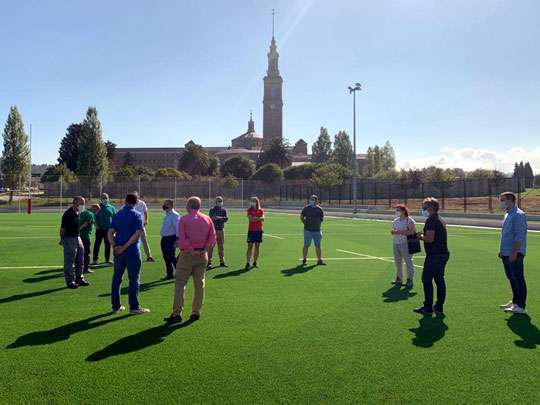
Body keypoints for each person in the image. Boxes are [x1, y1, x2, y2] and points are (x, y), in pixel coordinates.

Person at [164, 196, 216, 324]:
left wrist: (190, 249)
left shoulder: (184, 219)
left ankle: (177, 313)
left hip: (187, 255)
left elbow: (182, 237)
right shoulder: (207, 219)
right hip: (202, 255)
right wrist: (205, 249)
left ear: (188, 206)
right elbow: (213, 237)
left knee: (180, 284)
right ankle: (195, 312)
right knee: (199, 285)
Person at [107, 193, 150, 315]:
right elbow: (137, 234)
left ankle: (116, 306)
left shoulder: (118, 214)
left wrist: (115, 246)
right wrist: (125, 247)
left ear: (125, 201)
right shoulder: (137, 215)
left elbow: (110, 233)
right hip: (132, 252)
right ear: (136, 203)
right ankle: (134, 307)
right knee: (134, 279)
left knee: (117, 278)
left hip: (118, 252)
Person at [414, 197, 450, 315]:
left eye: (424, 207)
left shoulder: (431, 220)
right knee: (439, 280)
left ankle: (428, 307)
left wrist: (420, 237)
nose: (422, 209)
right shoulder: (440, 219)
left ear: (430, 208)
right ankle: (438, 306)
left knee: (427, 279)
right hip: (442, 253)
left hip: (435, 255)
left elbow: (430, 239)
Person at [498, 192, 528, 314]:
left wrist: (514, 252)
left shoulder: (518, 215)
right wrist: (502, 251)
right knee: (512, 278)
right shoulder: (507, 214)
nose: (501, 203)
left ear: (510, 200)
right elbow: (506, 235)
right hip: (506, 253)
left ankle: (520, 305)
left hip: (514, 253)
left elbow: (519, 236)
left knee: (518, 278)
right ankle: (515, 302)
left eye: (502, 200)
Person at [59, 196, 90, 289]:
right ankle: (70, 281)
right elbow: (62, 229)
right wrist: (62, 239)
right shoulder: (68, 214)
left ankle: (79, 278)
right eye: (81, 203)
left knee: (80, 259)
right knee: (69, 260)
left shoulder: (78, 212)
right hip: (69, 238)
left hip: (77, 237)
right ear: (75, 202)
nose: (83, 205)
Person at [390, 204, 417, 289]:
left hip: (406, 243)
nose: (396, 212)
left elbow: (412, 232)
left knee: (408, 261)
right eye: (396, 210)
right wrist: (394, 232)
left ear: (404, 211)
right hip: (396, 243)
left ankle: (410, 279)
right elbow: (395, 230)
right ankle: (399, 278)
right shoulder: (395, 220)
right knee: (398, 262)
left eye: (398, 210)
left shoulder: (409, 221)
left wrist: (398, 232)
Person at [300, 195, 325, 266]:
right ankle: (304, 259)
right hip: (308, 230)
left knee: (318, 246)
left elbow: (321, 219)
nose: (311, 201)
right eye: (311, 199)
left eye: (313, 199)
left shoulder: (319, 209)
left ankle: (319, 260)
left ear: (316, 201)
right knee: (306, 245)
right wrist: (305, 223)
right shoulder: (306, 208)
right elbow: (301, 217)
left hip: (317, 230)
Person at [93, 193, 116, 265]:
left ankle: (107, 259)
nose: (104, 199)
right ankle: (95, 259)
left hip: (109, 230)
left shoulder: (111, 208)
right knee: (97, 244)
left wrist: (114, 229)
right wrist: (96, 225)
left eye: (106, 198)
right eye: (103, 198)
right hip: (99, 229)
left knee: (108, 244)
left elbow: (114, 218)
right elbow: (94, 217)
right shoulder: (97, 207)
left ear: (108, 199)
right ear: (100, 199)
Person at [160, 199, 180, 280]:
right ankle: (169, 274)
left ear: (170, 205)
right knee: (166, 257)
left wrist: (178, 239)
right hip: (165, 239)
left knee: (171, 256)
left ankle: (180, 272)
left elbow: (178, 228)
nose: (164, 205)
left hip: (171, 238)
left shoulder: (174, 215)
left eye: (166, 204)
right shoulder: (167, 214)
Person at [133, 191, 155, 262]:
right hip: (132, 226)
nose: (135, 198)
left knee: (144, 241)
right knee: (132, 241)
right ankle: (133, 256)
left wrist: (146, 220)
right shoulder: (130, 203)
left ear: (138, 197)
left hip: (141, 226)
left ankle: (149, 256)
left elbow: (145, 212)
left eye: (136, 197)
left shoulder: (142, 203)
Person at [79, 204, 101, 274]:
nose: (97, 212)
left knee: (79, 252)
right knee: (86, 252)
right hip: (85, 236)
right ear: (94, 208)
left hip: (79, 236)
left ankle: (78, 266)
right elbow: (85, 224)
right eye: (97, 210)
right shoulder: (90, 214)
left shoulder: (83, 212)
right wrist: (78, 230)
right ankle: (86, 268)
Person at [208, 195, 228, 269]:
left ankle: (222, 261)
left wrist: (218, 218)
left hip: (221, 230)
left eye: (220, 201)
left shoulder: (224, 210)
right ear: (215, 202)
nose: (220, 202)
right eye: (218, 201)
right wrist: (219, 218)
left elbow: (226, 219)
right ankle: (209, 262)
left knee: (221, 246)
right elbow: (211, 218)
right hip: (213, 230)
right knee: (211, 247)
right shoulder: (212, 210)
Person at [245, 196, 265, 270]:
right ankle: (247, 262)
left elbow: (263, 218)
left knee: (257, 247)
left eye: (254, 201)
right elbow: (251, 219)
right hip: (251, 230)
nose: (252, 202)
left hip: (259, 231)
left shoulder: (261, 210)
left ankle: (255, 262)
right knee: (250, 246)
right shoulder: (249, 210)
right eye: (252, 201)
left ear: (257, 202)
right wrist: (258, 218)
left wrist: (256, 218)